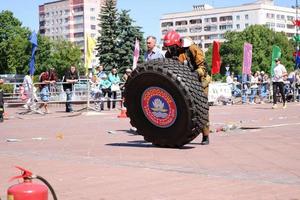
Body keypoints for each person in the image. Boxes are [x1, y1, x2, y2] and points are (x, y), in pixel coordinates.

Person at [163, 30, 211, 145]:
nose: (170, 50)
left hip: (200, 81)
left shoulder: (192, 48)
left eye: (172, 47)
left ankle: (205, 135)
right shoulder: (169, 54)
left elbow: (204, 67)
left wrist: (194, 75)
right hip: (183, 83)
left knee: (201, 108)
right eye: (168, 48)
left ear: (178, 43)